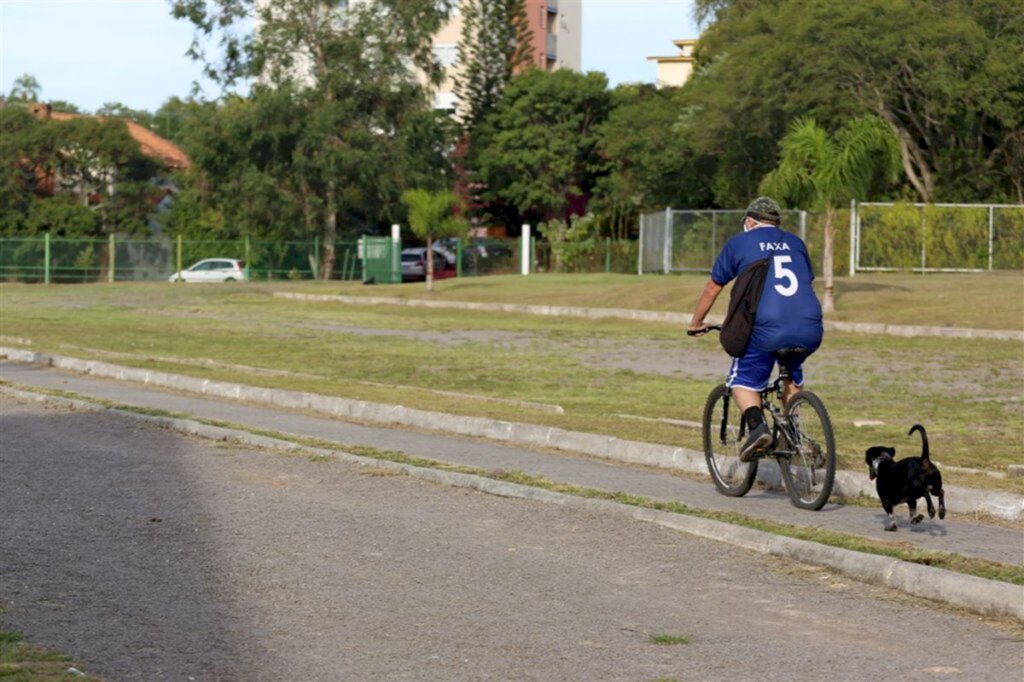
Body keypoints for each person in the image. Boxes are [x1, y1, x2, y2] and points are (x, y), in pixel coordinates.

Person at [688, 196, 823, 461]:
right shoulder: (795, 242)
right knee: (792, 376)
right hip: (809, 326)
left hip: (765, 329)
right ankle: (796, 435)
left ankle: (757, 427)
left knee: (742, 382)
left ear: (750, 222)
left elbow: (713, 287)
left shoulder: (740, 242)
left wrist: (695, 323)